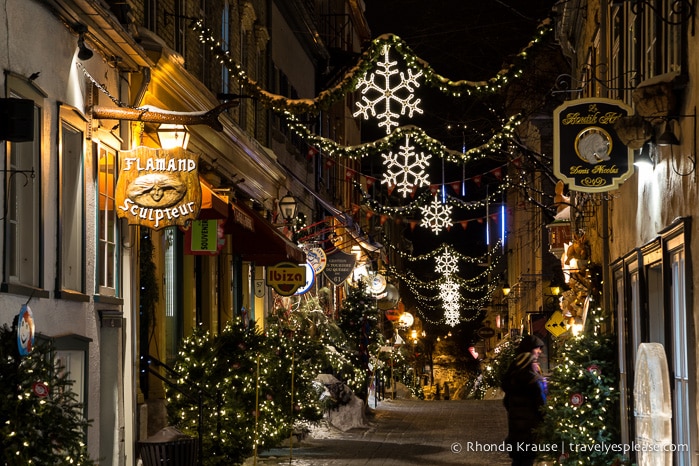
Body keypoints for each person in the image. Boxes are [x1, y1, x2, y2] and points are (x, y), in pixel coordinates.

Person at [501, 335, 547, 466]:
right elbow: (541, 406)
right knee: (527, 461)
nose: (539, 351)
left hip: (516, 431)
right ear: (529, 351)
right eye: (537, 348)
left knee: (518, 461)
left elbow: (506, 402)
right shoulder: (532, 378)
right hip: (530, 432)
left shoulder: (513, 372)